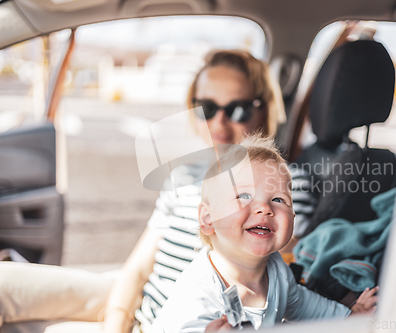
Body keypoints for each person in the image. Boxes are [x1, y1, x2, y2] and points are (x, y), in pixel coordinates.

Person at [0, 49, 286, 333]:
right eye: (207, 108)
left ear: (263, 109)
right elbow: (137, 271)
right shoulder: (184, 174)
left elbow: (272, 287)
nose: (219, 122)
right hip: (143, 308)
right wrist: (117, 324)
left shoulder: (283, 185)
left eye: (238, 109)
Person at [151, 135, 377, 333]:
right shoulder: (198, 293)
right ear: (208, 219)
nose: (264, 208)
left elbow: (304, 306)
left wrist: (348, 317)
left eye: (279, 200)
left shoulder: (277, 270)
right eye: (244, 196)